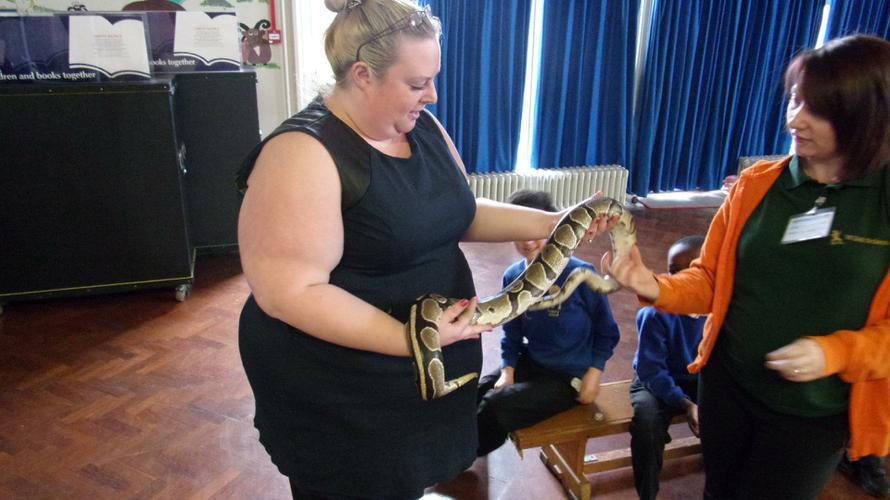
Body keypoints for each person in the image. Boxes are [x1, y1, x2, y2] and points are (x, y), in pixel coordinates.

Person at [234, 1, 613, 498]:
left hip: (422, 368)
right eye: (417, 83)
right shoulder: (302, 154)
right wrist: (412, 340)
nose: (432, 95)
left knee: (404, 483)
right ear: (363, 75)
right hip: (342, 388)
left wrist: (552, 222)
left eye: (433, 79)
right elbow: (290, 292)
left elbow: (456, 210)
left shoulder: (421, 127)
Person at [605, 34, 890, 500]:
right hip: (727, 387)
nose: (795, 119)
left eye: (818, 109)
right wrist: (652, 285)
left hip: (814, 414)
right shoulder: (756, 186)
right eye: (795, 99)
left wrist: (837, 352)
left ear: (866, 116)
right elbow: (711, 279)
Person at [475, 189, 621, 456]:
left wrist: (595, 372)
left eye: (536, 231)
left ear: (554, 230)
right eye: (520, 232)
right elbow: (512, 330)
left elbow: (607, 331)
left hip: (568, 378)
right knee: (479, 390)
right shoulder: (513, 276)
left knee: (497, 406)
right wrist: (508, 368)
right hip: (534, 361)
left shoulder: (581, 274)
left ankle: (464, 455)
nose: (528, 241)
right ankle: (455, 445)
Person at [629, 235, 706, 500]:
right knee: (647, 425)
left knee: (732, 414)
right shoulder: (655, 313)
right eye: (674, 272)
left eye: (692, 271)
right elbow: (651, 371)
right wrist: (686, 404)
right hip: (655, 380)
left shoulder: (718, 309)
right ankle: (648, 494)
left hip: (699, 378)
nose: (681, 280)